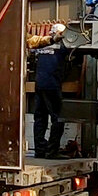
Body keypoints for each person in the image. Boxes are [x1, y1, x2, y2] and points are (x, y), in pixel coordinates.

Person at [27, 23, 69, 158]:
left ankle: (40, 150)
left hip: (39, 85)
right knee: (59, 118)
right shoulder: (62, 46)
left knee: (40, 118)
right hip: (52, 85)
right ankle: (52, 151)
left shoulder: (40, 47)